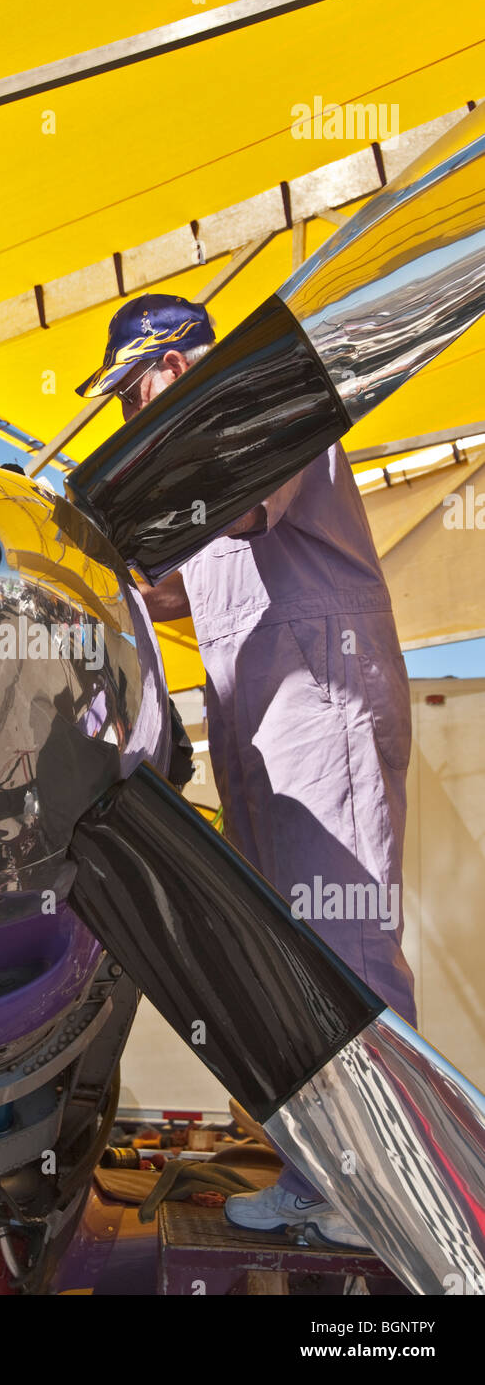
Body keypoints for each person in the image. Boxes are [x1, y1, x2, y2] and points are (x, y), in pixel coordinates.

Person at [76, 294, 418, 1249]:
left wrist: (118, 508)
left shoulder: (266, 409)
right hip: (263, 726)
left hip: (322, 708)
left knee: (345, 946)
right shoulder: (207, 469)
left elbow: (234, 507)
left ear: (171, 371)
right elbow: (189, 581)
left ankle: (384, 1192)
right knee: (291, 958)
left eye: (128, 398)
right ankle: (327, 1176)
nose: (124, 420)